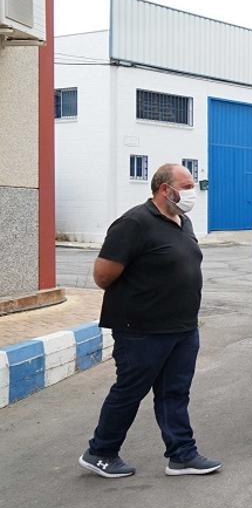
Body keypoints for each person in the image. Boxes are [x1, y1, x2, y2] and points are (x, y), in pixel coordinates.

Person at [79, 163, 221, 478]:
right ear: (164, 189)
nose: (191, 193)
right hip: (142, 330)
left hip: (182, 328)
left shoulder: (182, 221)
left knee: (175, 392)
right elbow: (103, 276)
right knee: (129, 391)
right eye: (185, 186)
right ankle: (100, 451)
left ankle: (182, 454)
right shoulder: (135, 222)